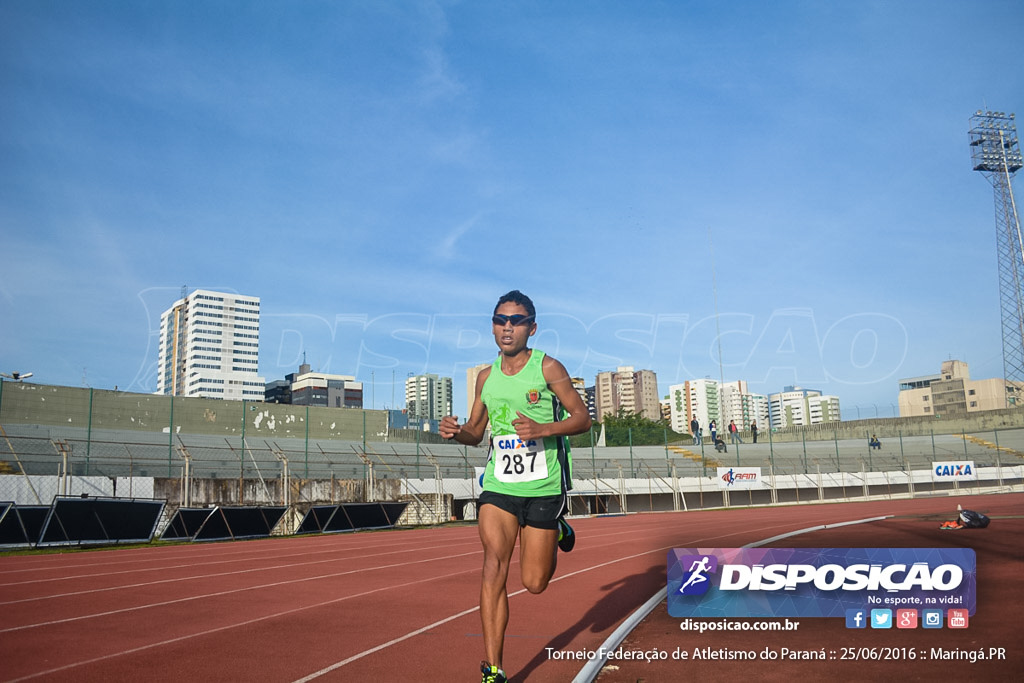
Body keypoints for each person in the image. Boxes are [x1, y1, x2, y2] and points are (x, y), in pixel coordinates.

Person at [440, 290, 592, 683]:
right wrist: (457, 433)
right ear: (492, 326)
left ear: (532, 328)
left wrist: (545, 429)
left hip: (543, 486)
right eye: (500, 319)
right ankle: (493, 669)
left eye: (517, 320)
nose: (507, 327)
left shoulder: (549, 369)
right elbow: (476, 433)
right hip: (500, 484)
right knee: (493, 565)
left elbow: (582, 418)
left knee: (534, 583)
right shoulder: (486, 377)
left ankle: (557, 526)